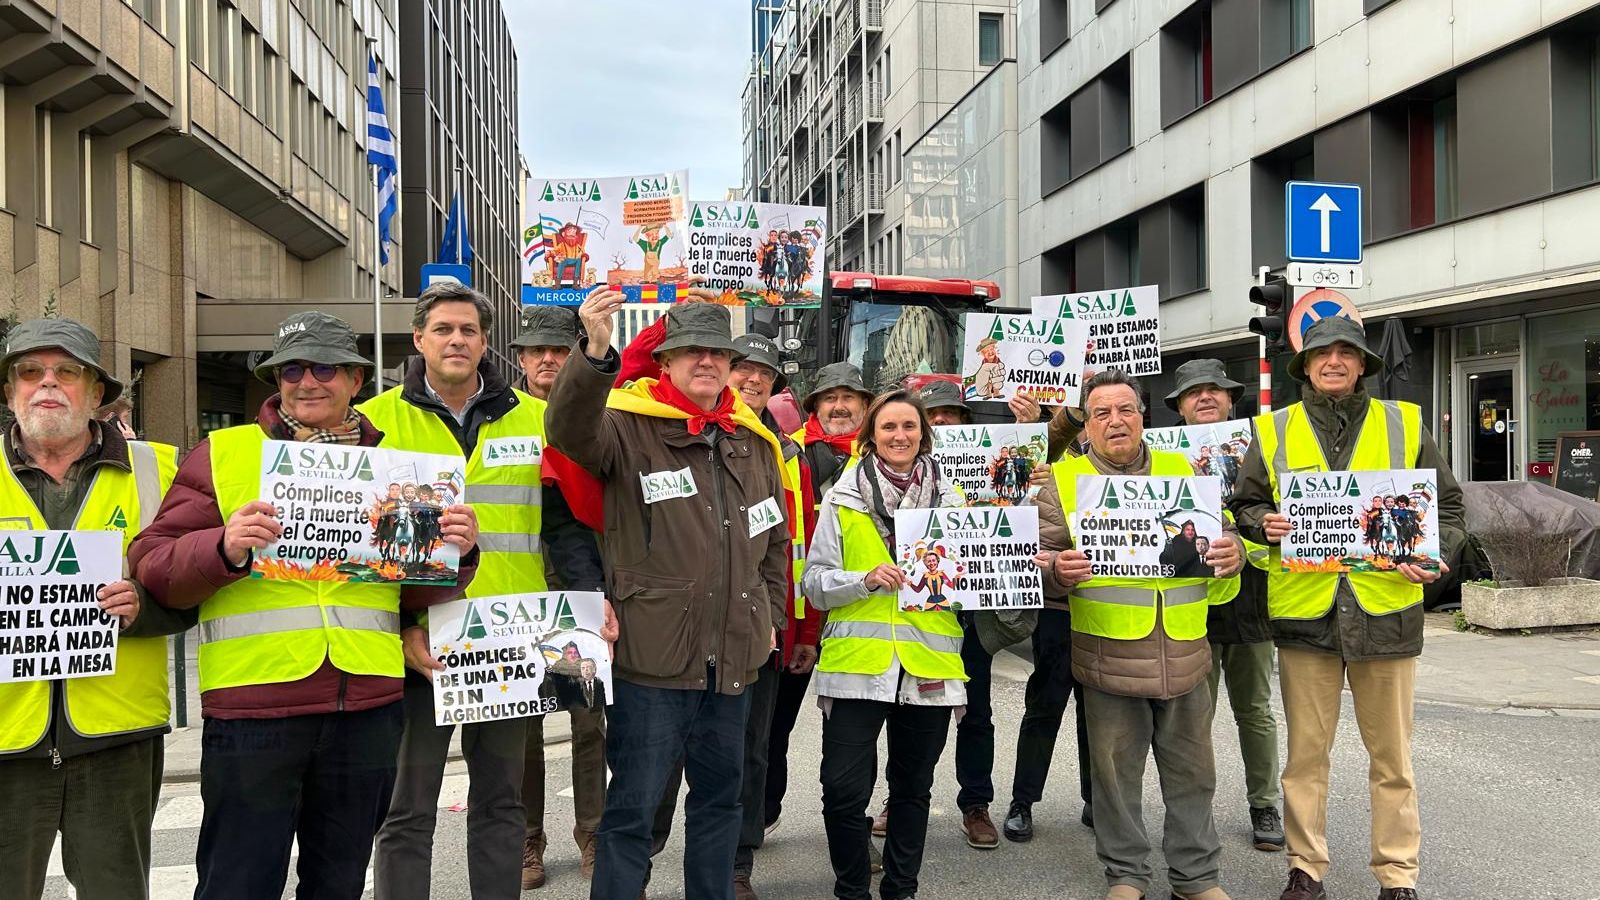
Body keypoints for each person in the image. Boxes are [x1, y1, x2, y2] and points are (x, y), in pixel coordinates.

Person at [129, 311, 481, 900]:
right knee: (237, 883)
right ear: (275, 380)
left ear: (353, 380)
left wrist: (456, 554)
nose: (307, 381)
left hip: (366, 705)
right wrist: (220, 545)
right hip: (253, 710)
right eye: (292, 368)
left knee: (340, 882)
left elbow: (410, 591)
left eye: (324, 367)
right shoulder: (223, 453)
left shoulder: (397, 468)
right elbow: (153, 565)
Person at [548, 289, 790, 900]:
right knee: (631, 811)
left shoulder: (754, 440)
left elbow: (776, 540)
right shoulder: (625, 427)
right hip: (652, 661)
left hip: (733, 661)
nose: (704, 362)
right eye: (689, 352)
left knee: (719, 806)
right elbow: (567, 428)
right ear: (667, 362)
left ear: (732, 366)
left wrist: (771, 618)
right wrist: (594, 352)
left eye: (716, 352)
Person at [363, 283, 600, 900]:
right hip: (420, 641)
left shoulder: (534, 417)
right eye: (443, 329)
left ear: (486, 342)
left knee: (501, 804)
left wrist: (588, 606)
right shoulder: (375, 421)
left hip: (508, 637)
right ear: (419, 340)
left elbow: (564, 526)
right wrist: (399, 628)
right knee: (406, 808)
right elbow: (354, 549)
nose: (456, 340)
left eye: (468, 330)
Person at [1228, 316, 1464, 900]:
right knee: (1305, 757)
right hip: (1306, 617)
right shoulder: (1275, 429)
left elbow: (1451, 509)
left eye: (1346, 354)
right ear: (1305, 366)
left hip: (1386, 614)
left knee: (1393, 760)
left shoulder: (1403, 423)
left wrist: (1434, 559)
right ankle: (1305, 869)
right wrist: (1267, 525)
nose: (1334, 362)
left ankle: (1397, 876)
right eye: (1322, 354)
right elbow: (1245, 506)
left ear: (1363, 365)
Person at [1032, 369, 1243, 900]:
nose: (1115, 421)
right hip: (1109, 652)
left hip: (1186, 649)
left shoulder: (1185, 472)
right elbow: (1030, 561)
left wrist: (1232, 552)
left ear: (1142, 416)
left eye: (1125, 409)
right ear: (1087, 423)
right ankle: (1125, 874)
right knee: (1114, 776)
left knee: (1193, 773)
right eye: (1101, 413)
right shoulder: (1063, 481)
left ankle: (1197, 878)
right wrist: (1058, 569)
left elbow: (1227, 537)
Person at [0, 318, 182, 900]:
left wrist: (146, 606)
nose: (46, 384)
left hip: (116, 737)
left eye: (67, 373)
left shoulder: (163, 471)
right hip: (5, 737)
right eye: (29, 373)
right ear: (10, 392)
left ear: (98, 394)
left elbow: (201, 581)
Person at [646, 332, 816, 900]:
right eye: (741, 368)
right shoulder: (679, 429)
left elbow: (785, 544)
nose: (751, 380)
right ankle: (642, 854)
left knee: (751, 750)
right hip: (682, 629)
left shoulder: (783, 450)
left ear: (774, 387)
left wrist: (784, 623)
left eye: (763, 375)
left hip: (757, 627)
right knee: (664, 756)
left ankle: (736, 865)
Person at [801, 389, 967, 900]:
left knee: (913, 790)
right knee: (843, 793)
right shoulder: (843, 498)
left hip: (929, 664)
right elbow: (814, 583)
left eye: (909, 427)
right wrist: (865, 580)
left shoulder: (954, 501)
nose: (900, 437)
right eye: (889, 427)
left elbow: (976, 580)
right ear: (871, 435)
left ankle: (902, 890)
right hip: (856, 665)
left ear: (924, 434)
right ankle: (852, 889)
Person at [508, 304, 610, 888]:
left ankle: (591, 831)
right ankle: (528, 838)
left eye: (560, 350)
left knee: (588, 719)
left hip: (579, 590)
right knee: (520, 724)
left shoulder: (598, 412)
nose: (548, 360)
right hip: (514, 599)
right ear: (520, 358)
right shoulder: (503, 418)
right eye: (537, 350)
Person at [1167, 358, 1283, 851]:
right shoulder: (1162, 455)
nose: (1206, 398)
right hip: (1193, 604)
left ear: (1232, 400)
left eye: (1215, 390)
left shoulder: (1264, 448)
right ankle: (1198, 811)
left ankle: (1265, 805)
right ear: (1180, 408)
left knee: (1254, 710)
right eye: (1195, 393)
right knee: (1195, 717)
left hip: (1252, 598)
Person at [796, 362, 874, 508]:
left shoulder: (882, 448)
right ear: (817, 406)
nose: (839, 407)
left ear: (864, 405)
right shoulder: (791, 448)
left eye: (848, 397)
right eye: (830, 398)